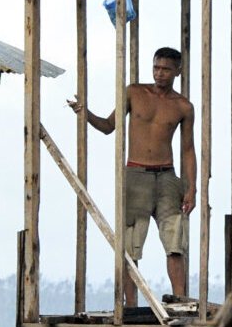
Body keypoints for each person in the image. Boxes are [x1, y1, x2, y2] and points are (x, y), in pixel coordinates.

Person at [68, 47, 194, 307]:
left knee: (175, 242)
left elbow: (188, 149)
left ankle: (180, 301)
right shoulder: (135, 92)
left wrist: (191, 188)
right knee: (129, 244)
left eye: (166, 69)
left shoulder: (182, 106)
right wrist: (84, 113)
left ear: (177, 72)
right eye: (156, 68)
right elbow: (108, 126)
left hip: (167, 177)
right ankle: (131, 305)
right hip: (136, 174)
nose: (160, 74)